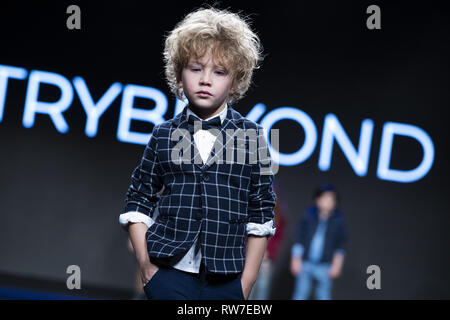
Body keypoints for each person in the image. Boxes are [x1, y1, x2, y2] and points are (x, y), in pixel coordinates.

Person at [119, 6, 277, 300]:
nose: (206, 80)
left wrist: (247, 282)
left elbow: (261, 212)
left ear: (235, 82)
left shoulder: (252, 136)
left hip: (226, 278)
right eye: (195, 68)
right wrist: (145, 264)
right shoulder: (163, 134)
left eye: (219, 72)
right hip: (167, 271)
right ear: (179, 77)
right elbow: (138, 200)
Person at [290, 184, 348, 300]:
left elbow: (340, 245)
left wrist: (337, 264)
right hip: (306, 262)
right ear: (317, 199)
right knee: (300, 293)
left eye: (330, 198)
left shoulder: (339, 221)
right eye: (324, 197)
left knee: (323, 295)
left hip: (325, 265)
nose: (326, 201)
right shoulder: (309, 215)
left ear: (335, 202)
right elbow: (299, 239)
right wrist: (296, 259)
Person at [249, 183, 286, 300]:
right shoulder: (254, 212)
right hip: (251, 256)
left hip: (267, 260)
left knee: (263, 287)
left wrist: (268, 253)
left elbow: (277, 240)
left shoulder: (280, 217)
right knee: (249, 285)